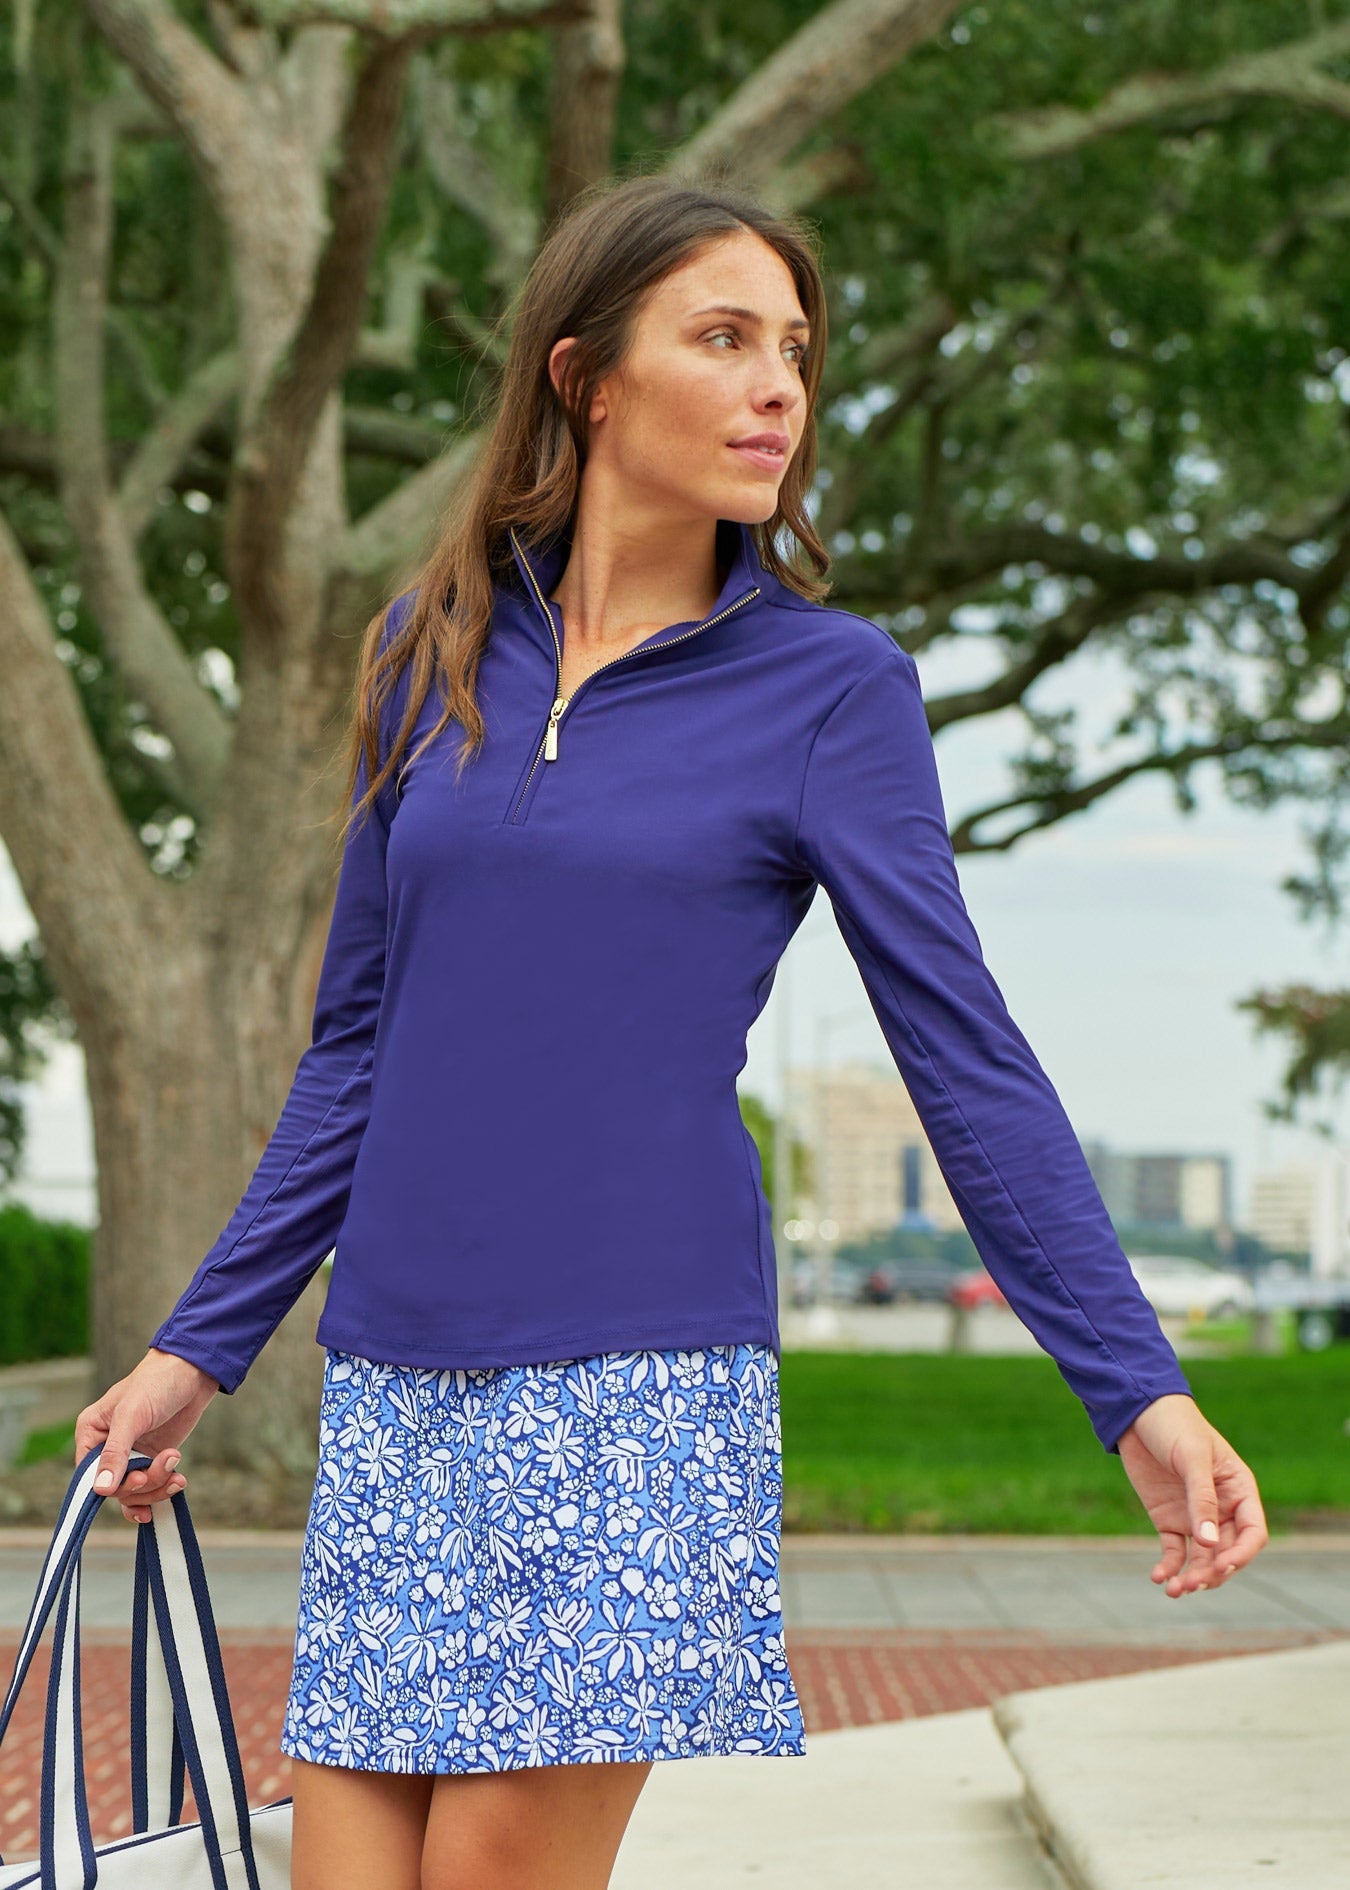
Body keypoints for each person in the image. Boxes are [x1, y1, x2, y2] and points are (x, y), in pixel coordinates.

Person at [75, 172, 1268, 1890]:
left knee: (485, 1873)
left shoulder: (832, 691)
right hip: (401, 1377)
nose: (780, 385)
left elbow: (962, 1052)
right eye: (724, 339)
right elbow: (356, 1049)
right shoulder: (428, 652)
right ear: (587, 378)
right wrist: (200, 1347)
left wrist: (1131, 1386)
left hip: (638, 1377)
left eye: (794, 348)